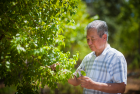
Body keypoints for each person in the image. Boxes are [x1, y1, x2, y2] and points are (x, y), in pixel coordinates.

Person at [68, 20, 127, 94]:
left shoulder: (116, 57)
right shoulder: (88, 58)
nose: (89, 43)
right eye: (87, 39)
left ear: (104, 37)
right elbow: (76, 80)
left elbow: (121, 88)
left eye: (93, 39)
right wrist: (60, 71)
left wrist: (93, 85)